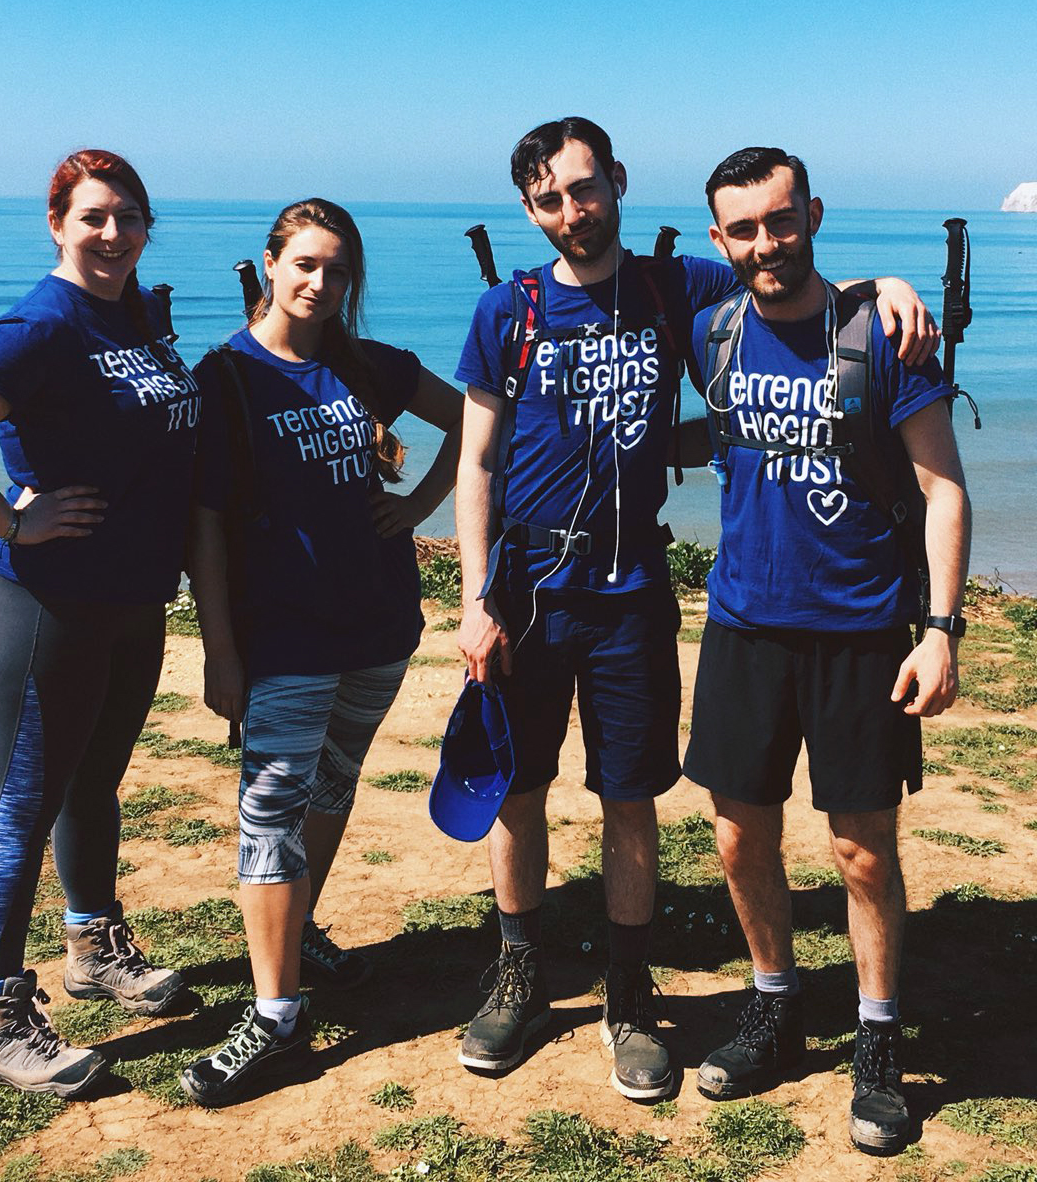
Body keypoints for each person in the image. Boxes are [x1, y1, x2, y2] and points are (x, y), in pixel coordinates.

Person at [452, 116, 936, 1102]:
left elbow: (792, 283)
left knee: (630, 795)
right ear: (528, 210)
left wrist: (885, 286)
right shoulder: (507, 311)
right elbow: (474, 461)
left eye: (584, 190)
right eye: (548, 199)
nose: (570, 213)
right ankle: (518, 973)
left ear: (618, 184)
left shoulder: (676, 288)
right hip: (525, 594)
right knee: (517, 789)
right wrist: (471, 599)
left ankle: (626, 995)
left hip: (631, 592)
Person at [679, 147, 970, 1156]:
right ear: (719, 241)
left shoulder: (884, 335)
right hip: (743, 624)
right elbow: (594, 278)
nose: (765, 243)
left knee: (858, 850)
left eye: (780, 219)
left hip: (859, 633)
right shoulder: (707, 327)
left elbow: (942, 488)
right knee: (733, 835)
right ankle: (774, 1005)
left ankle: (878, 1037)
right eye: (743, 229)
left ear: (810, 213)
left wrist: (939, 631)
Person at [0, 149, 197, 1097]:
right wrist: (12, 520)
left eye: (131, 219)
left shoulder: (134, 316)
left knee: (93, 782)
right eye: (95, 217)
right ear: (58, 223)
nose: (114, 235)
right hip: (47, 603)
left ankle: (92, 945)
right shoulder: (44, 322)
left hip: (129, 596)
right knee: (20, 803)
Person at [177, 199, 464, 1107]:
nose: (320, 284)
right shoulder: (224, 377)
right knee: (270, 811)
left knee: (331, 791)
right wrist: (220, 647)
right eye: (304, 264)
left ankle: (296, 939)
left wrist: (419, 508)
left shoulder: (369, 366)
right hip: (284, 635)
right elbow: (207, 524)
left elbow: (475, 421)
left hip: (378, 626)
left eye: (338, 271)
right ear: (270, 263)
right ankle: (273, 1016)